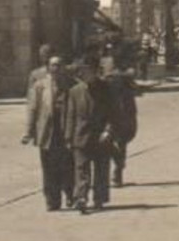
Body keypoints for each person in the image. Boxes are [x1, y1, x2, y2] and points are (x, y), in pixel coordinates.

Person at [22, 54, 73, 211]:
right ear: (49, 68)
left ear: (64, 68)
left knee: (67, 166)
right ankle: (52, 200)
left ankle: (70, 195)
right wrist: (28, 132)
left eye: (59, 65)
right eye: (53, 65)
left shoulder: (72, 85)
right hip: (47, 133)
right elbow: (32, 109)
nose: (56, 68)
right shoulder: (39, 86)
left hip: (66, 131)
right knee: (49, 168)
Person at [65, 61, 112, 214]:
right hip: (80, 135)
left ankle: (99, 198)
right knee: (81, 168)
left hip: (100, 136)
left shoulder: (105, 89)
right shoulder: (75, 91)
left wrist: (108, 130)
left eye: (89, 72)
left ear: (95, 72)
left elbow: (113, 113)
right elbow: (70, 116)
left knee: (101, 169)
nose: (86, 75)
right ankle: (81, 198)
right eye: (83, 72)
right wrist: (68, 136)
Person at [103, 52, 140, 187]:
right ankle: (118, 166)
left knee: (120, 143)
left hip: (123, 116)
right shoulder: (107, 80)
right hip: (109, 115)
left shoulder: (125, 81)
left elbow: (136, 90)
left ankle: (117, 173)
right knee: (111, 144)